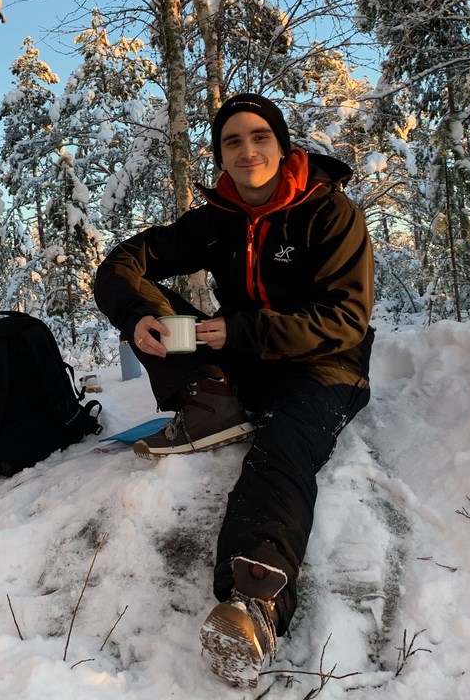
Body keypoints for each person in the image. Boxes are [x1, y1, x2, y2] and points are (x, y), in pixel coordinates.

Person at [93, 93, 375, 687]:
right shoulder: (217, 219)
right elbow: (123, 262)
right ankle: (216, 400)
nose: (247, 150)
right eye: (232, 141)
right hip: (244, 357)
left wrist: (243, 329)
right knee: (161, 314)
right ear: (221, 153)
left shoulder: (329, 213)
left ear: (282, 144)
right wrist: (136, 316)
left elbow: (347, 319)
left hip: (325, 367)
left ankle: (255, 604)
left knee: (282, 452)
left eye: (259, 138)